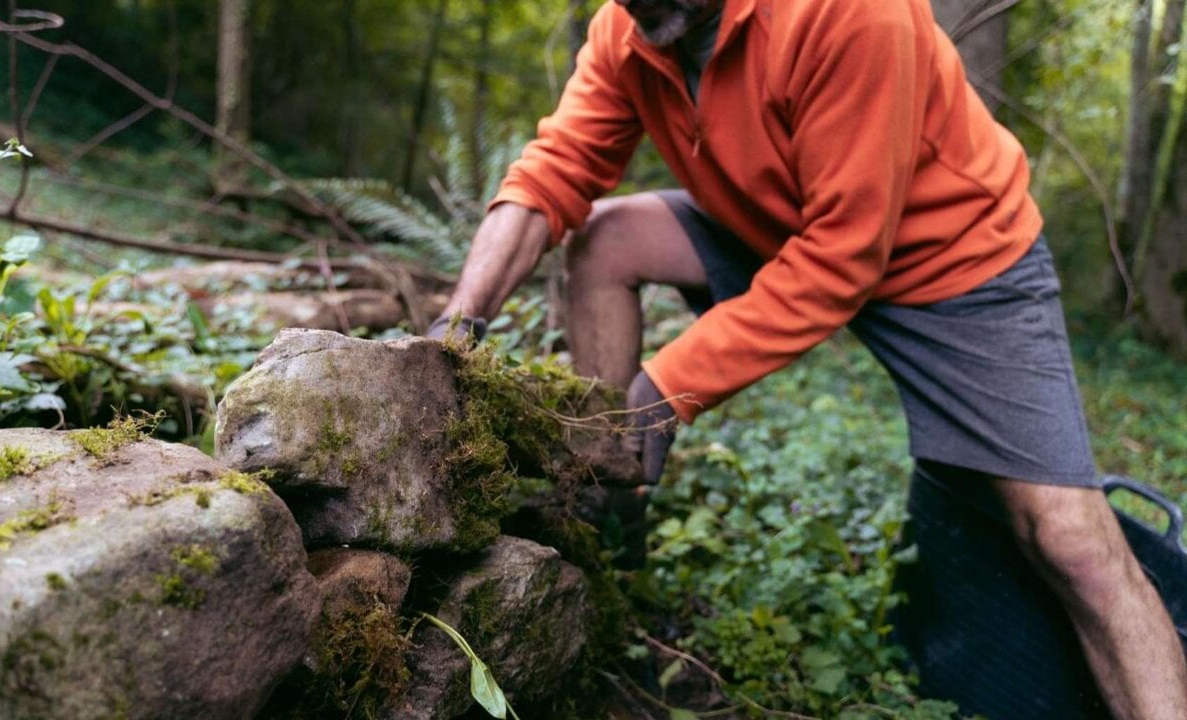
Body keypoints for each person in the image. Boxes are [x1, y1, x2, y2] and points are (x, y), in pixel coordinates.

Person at [426, 0, 1187, 716]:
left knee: (1069, 541)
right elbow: (552, 171)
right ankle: (609, 521)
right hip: (778, 223)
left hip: (956, 263)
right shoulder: (633, 27)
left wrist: (664, 387)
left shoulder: (852, 14)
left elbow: (842, 259)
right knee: (608, 240)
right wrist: (455, 332)